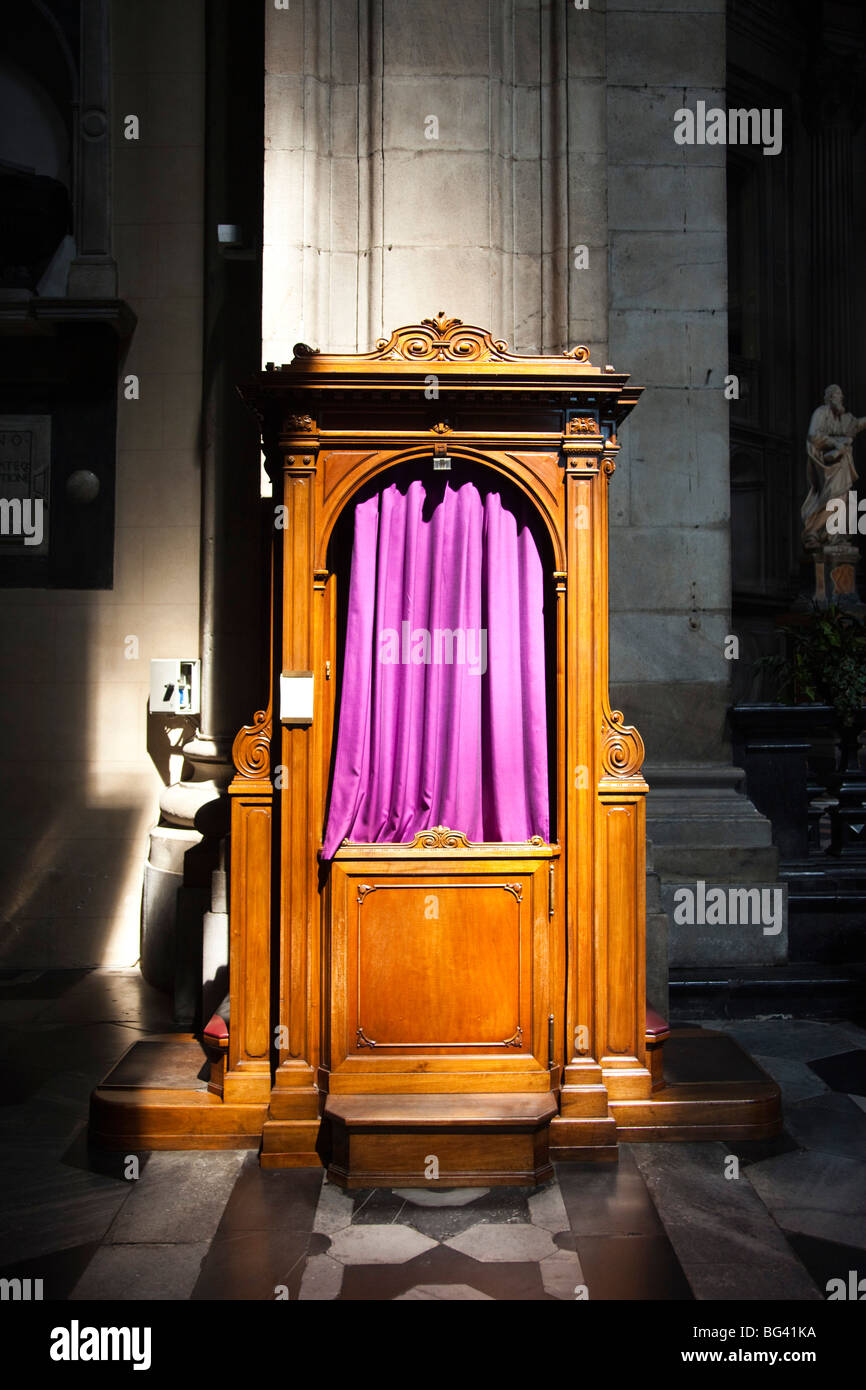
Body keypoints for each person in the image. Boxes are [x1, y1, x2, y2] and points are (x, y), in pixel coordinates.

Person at [801, 384, 866, 550]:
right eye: (838, 395)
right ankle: (813, 532)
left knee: (843, 498)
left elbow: (857, 424)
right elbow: (813, 434)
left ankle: (836, 535)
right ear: (829, 397)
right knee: (831, 497)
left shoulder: (845, 418)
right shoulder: (821, 413)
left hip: (842, 465)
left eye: (841, 395)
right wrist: (836, 442)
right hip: (825, 463)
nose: (841, 398)